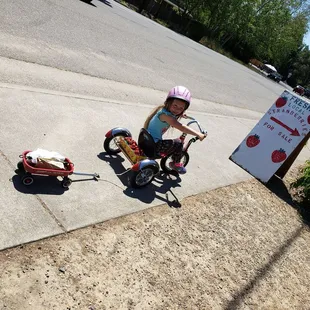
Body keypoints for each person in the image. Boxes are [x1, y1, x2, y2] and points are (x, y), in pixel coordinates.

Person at [144, 85, 206, 174]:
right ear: (168, 103)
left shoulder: (163, 111)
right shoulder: (166, 116)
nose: (177, 109)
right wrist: (198, 134)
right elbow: (181, 127)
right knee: (179, 143)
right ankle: (175, 164)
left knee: (174, 143)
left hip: (146, 138)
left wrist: (180, 114)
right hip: (154, 145)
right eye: (175, 106)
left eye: (181, 108)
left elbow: (172, 116)